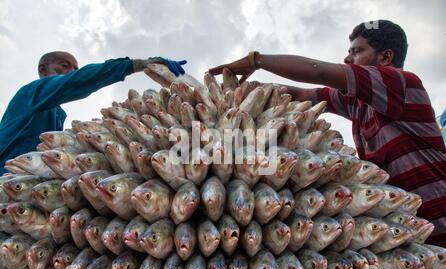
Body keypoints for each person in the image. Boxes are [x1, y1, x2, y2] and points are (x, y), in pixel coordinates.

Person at [209, 20, 446, 246]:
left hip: (439, 224)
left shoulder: (401, 84)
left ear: (385, 57)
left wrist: (256, 60)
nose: (347, 58)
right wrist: (253, 90)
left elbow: (319, 71)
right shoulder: (357, 102)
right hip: (411, 232)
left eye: (356, 51)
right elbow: (305, 96)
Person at [0, 52, 187, 175]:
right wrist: (137, 65)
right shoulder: (30, 93)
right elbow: (76, 82)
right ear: (43, 69)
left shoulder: (57, 114)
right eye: (66, 65)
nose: (73, 71)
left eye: (76, 67)